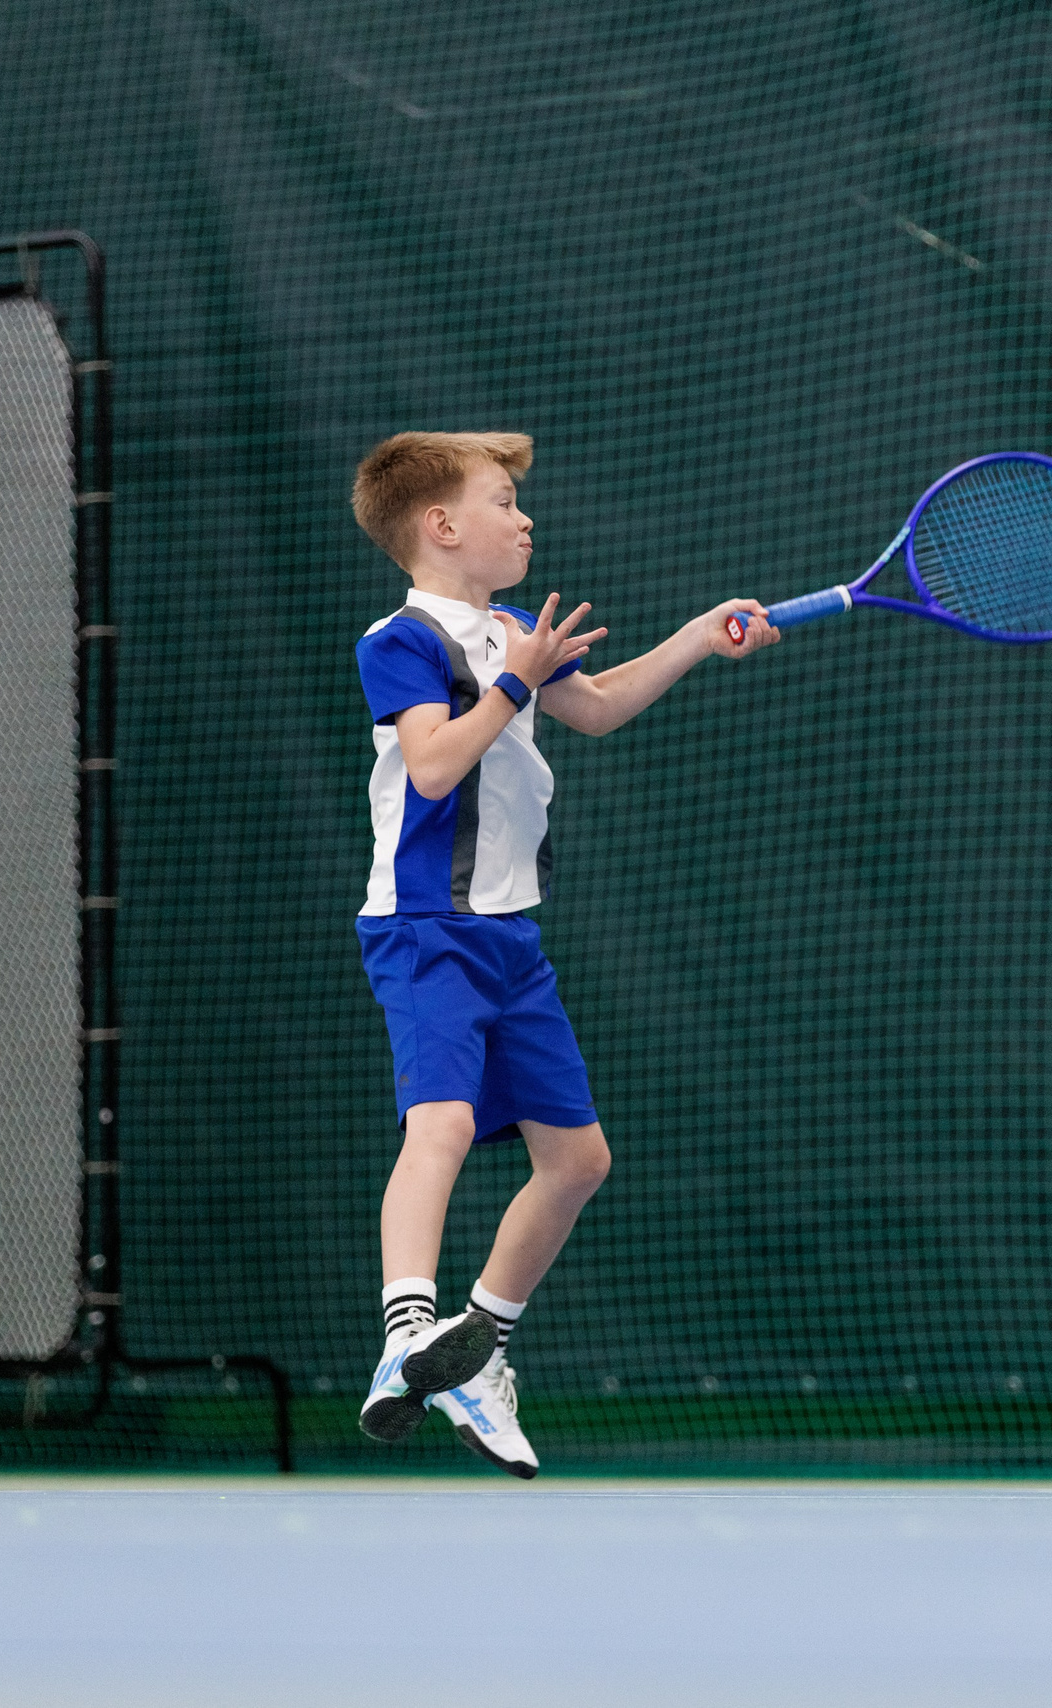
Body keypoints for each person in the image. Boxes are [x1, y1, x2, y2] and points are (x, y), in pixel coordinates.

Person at [348, 430, 779, 1477]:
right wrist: (511, 685)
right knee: (440, 1119)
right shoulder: (399, 638)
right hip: (424, 927)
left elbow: (596, 709)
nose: (525, 517)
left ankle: (478, 1353)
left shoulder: (510, 631)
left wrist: (692, 637)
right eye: (504, 500)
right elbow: (435, 768)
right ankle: (406, 1334)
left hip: (509, 936)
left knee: (578, 1161)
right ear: (442, 527)